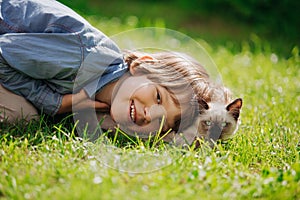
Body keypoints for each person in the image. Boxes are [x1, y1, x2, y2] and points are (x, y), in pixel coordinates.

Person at [0, 0, 210, 142]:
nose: (149, 115)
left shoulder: (112, 94)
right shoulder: (83, 58)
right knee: (22, 115)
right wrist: (53, 102)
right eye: (157, 97)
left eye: (162, 124)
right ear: (141, 65)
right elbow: (3, 52)